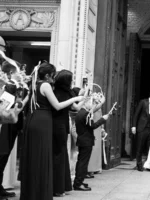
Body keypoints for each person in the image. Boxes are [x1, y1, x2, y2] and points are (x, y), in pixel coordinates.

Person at [20, 62, 84, 200]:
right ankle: (41, 192)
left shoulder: (34, 85)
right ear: (47, 75)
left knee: (34, 156)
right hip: (43, 120)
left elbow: (24, 103)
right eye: (53, 75)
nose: (54, 78)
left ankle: (31, 191)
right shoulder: (45, 85)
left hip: (33, 118)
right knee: (43, 156)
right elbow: (57, 105)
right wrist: (75, 98)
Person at [52, 70, 87, 197]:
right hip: (60, 124)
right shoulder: (67, 92)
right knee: (60, 155)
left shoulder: (53, 89)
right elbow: (76, 108)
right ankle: (58, 187)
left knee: (57, 154)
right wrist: (82, 99)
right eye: (71, 79)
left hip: (54, 123)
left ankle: (57, 186)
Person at [0, 61, 29, 199]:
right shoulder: (8, 86)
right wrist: (27, 98)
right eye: (20, 71)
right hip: (6, 126)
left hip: (12, 126)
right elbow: (7, 108)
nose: (22, 74)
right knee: (2, 156)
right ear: (11, 73)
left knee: (4, 157)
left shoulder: (15, 86)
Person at [73, 95, 108, 191]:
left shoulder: (81, 112)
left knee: (81, 162)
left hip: (82, 140)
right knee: (83, 163)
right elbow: (93, 126)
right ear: (86, 103)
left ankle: (79, 181)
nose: (92, 105)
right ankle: (78, 184)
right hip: (86, 141)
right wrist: (103, 119)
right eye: (91, 103)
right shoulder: (85, 114)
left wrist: (100, 103)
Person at [131, 89, 150, 172]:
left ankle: (149, 165)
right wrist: (133, 126)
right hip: (141, 128)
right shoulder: (143, 102)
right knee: (139, 147)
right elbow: (136, 114)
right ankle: (139, 165)